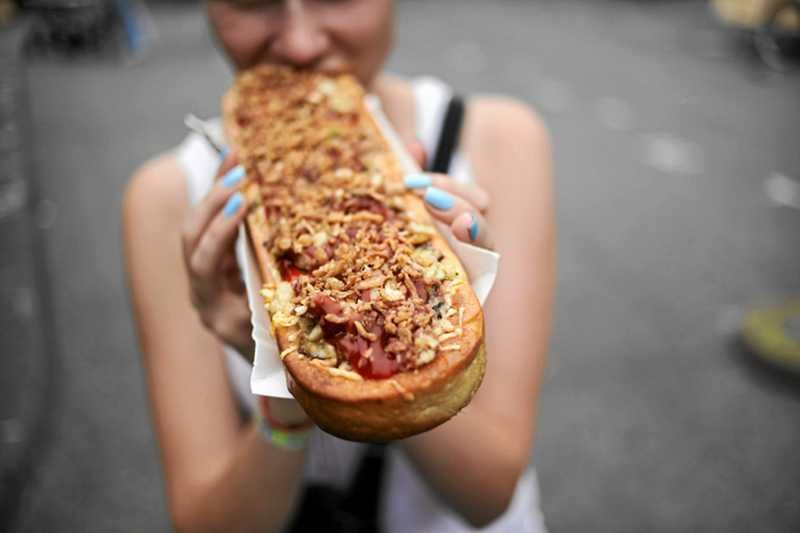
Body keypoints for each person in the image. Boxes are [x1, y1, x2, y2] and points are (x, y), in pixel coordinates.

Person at [122, 1, 554, 531]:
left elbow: (489, 497)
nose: (300, 45)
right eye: (253, 1)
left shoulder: (502, 139)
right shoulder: (166, 200)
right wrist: (285, 391)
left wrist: (419, 330)